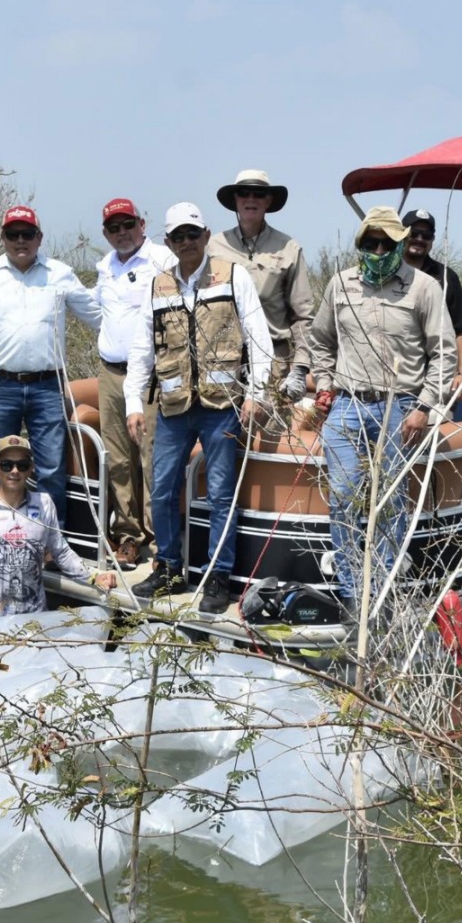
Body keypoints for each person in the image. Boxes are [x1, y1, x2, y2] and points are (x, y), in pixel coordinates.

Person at [124, 203, 274, 614]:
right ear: (168, 242)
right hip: (172, 407)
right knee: (163, 489)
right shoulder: (157, 287)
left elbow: (259, 338)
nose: (186, 242)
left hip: (222, 404)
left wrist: (256, 393)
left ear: (206, 235)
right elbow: (141, 351)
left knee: (223, 494)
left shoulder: (232, 276)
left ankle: (217, 577)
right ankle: (169, 569)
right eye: (178, 236)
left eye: (193, 234)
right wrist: (134, 402)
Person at [308, 206, 456, 615]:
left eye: (386, 243)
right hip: (348, 403)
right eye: (369, 243)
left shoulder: (424, 287)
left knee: (390, 501)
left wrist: (425, 406)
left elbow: (443, 353)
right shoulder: (340, 285)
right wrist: (324, 384)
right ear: (360, 245)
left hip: (401, 406)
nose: (377, 250)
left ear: (400, 244)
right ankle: (354, 592)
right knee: (342, 496)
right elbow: (319, 340)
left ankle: (385, 588)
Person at [0, 205, 101, 519]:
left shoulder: (60, 273)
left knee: (51, 469)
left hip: (48, 386)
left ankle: (48, 542)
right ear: (3, 237)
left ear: (39, 237)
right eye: (13, 234)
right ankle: (0, 535)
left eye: (28, 234)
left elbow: (97, 315)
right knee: (0, 467)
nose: (21, 241)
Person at [0, 436, 116, 640]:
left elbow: (61, 552)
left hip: (33, 621)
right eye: (7, 465)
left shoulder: (44, 504)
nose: (14, 471)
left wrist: (94, 577)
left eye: (22, 465)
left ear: (31, 468)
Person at [92, 197, 175, 569]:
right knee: (119, 459)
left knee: (151, 457)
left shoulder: (163, 260)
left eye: (128, 225)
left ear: (143, 224)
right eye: (114, 227)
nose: (122, 233)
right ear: (106, 233)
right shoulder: (104, 267)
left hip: (151, 375)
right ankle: (129, 536)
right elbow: (94, 311)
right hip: (111, 372)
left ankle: (160, 541)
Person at [207, 169, 316, 400]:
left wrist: (299, 369)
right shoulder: (213, 247)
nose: (250, 199)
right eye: (244, 193)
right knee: (225, 434)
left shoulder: (288, 248)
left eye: (258, 194)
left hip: (274, 359)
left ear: (268, 201)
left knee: (268, 433)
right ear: (235, 201)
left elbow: (303, 315)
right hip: (222, 358)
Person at [401, 209, 462, 414]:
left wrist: (461, 373)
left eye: (426, 235)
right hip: (395, 375)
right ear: (402, 233)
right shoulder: (386, 272)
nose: (419, 239)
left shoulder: (446, 277)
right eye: (414, 233)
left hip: (434, 375)